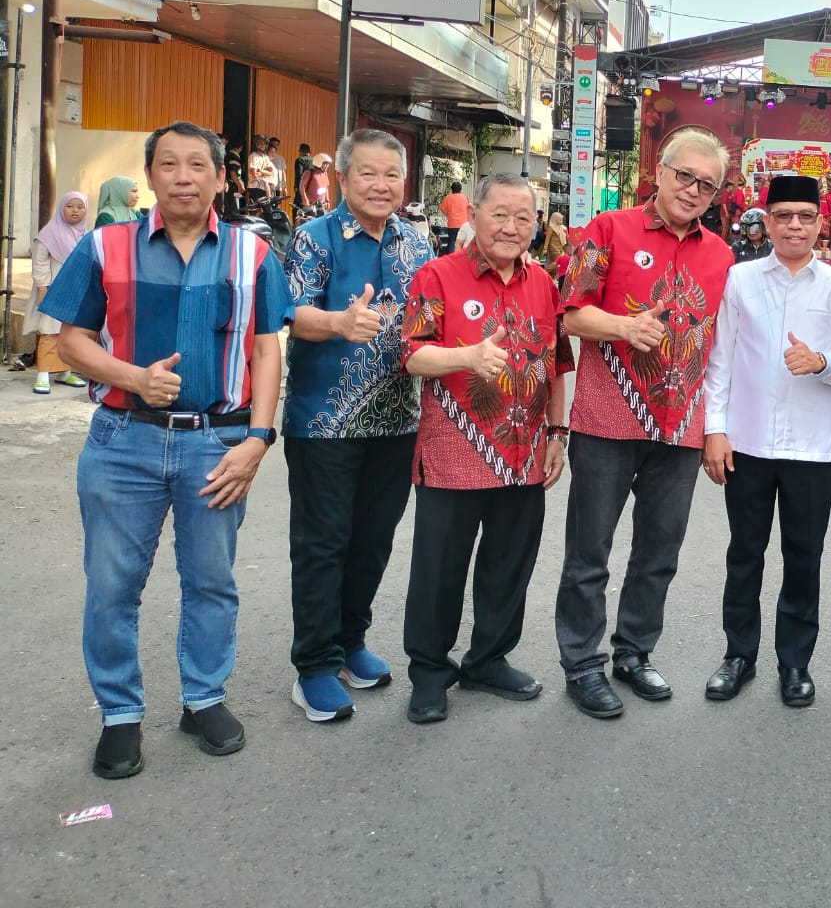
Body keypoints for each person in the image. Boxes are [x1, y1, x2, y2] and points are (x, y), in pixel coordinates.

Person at [42, 122, 292, 779]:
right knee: (112, 586)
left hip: (217, 441)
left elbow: (268, 350)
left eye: (197, 165)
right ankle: (119, 714)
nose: (184, 176)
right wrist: (133, 378)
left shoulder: (252, 255)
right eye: (169, 165)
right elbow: (72, 339)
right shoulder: (104, 247)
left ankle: (203, 698)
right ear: (149, 176)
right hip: (123, 440)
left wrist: (259, 439)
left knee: (212, 580)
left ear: (219, 177)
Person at [554, 126, 735, 719]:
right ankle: (583, 664)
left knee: (659, 549)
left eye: (706, 184)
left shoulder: (721, 255)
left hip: (680, 428)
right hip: (606, 422)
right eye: (683, 175)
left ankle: (634, 651)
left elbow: (722, 345)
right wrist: (625, 328)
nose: (692, 190)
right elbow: (570, 314)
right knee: (590, 552)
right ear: (658, 171)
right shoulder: (606, 230)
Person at [399, 174, 573, 724]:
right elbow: (412, 356)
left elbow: (555, 366)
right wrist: (466, 358)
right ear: (472, 215)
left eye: (524, 218)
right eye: (500, 214)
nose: (511, 228)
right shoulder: (437, 275)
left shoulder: (544, 284)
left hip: (524, 456)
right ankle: (429, 672)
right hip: (454, 456)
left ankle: (488, 659)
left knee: (508, 566)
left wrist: (557, 434)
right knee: (439, 570)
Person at [281, 130, 433, 723]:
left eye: (391, 174)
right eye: (367, 174)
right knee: (322, 544)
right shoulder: (315, 239)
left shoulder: (414, 244)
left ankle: (350, 642)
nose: (380, 185)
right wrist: (339, 323)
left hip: (397, 420)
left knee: (372, 540)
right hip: (324, 422)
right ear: (343, 178)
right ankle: (314, 665)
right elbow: (290, 312)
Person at [702, 175, 831, 706]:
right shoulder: (740, 280)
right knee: (744, 554)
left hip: (810, 449)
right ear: (766, 221)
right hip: (747, 443)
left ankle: (795, 662)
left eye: (805, 216)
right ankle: (739, 656)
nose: (794, 225)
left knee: (804, 557)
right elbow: (720, 360)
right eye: (783, 215)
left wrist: (821, 363)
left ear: (821, 224)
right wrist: (715, 429)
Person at [27, 191, 91, 393]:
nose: (75, 211)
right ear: (62, 208)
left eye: (80, 207)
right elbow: (39, 263)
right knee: (49, 329)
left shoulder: (85, 234)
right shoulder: (49, 233)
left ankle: (65, 372)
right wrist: (42, 288)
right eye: (70, 206)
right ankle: (43, 374)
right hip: (53, 286)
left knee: (69, 331)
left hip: (75, 289)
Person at [438, 180, 471, 254]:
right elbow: (468, 209)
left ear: (452, 189)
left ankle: (451, 257)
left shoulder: (448, 198)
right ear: (460, 189)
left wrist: (448, 214)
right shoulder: (465, 198)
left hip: (452, 224)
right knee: (462, 242)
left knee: (451, 242)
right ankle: (462, 257)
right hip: (462, 224)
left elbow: (442, 208)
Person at [538, 210, 567, 276]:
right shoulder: (551, 227)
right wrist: (545, 249)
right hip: (553, 248)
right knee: (558, 262)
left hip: (559, 247)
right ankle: (543, 272)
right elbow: (547, 239)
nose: (561, 222)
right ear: (555, 219)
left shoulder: (559, 227)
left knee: (553, 262)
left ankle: (552, 276)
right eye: (560, 220)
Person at [293, 143, 314, 207]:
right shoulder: (314, 160)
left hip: (302, 186)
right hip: (312, 186)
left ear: (301, 151)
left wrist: (296, 186)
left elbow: (299, 174)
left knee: (298, 206)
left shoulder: (300, 160)